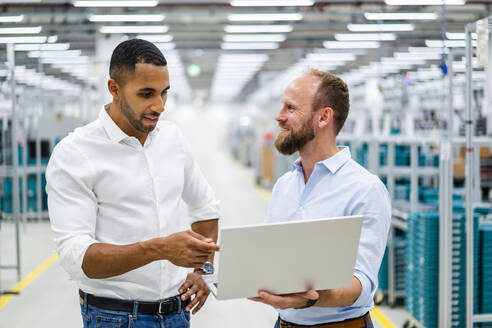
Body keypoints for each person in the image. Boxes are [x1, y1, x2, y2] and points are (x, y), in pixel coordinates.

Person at [46, 38, 220, 328]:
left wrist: (203, 272)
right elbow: (77, 257)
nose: (159, 105)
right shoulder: (75, 153)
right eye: (146, 94)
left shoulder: (173, 139)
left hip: (178, 314)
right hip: (114, 317)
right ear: (114, 88)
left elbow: (205, 206)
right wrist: (161, 248)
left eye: (164, 93)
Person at [250, 69, 391, 328]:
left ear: (324, 117)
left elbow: (362, 284)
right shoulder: (284, 185)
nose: (278, 117)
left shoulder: (365, 189)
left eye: (290, 108)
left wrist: (308, 300)